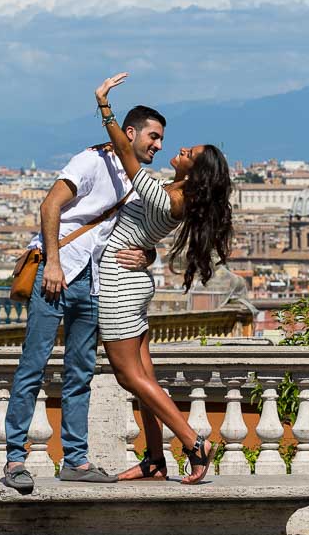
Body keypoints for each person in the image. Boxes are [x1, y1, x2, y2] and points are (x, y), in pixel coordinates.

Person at [3, 104, 167, 492]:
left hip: (95, 281)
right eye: (153, 136)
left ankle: (75, 459)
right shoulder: (90, 161)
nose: (158, 146)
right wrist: (54, 264)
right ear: (130, 133)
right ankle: (14, 458)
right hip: (57, 272)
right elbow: (50, 205)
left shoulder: (135, 181)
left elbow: (141, 233)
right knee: (33, 365)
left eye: (160, 139)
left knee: (80, 373)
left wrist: (149, 255)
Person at [95, 72, 233, 485]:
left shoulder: (169, 196)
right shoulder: (176, 193)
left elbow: (126, 153)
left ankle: (193, 442)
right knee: (144, 380)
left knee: (128, 376)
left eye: (188, 152)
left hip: (120, 284)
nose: (179, 150)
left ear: (196, 170)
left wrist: (104, 106)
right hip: (134, 282)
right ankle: (154, 460)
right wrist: (150, 250)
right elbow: (144, 230)